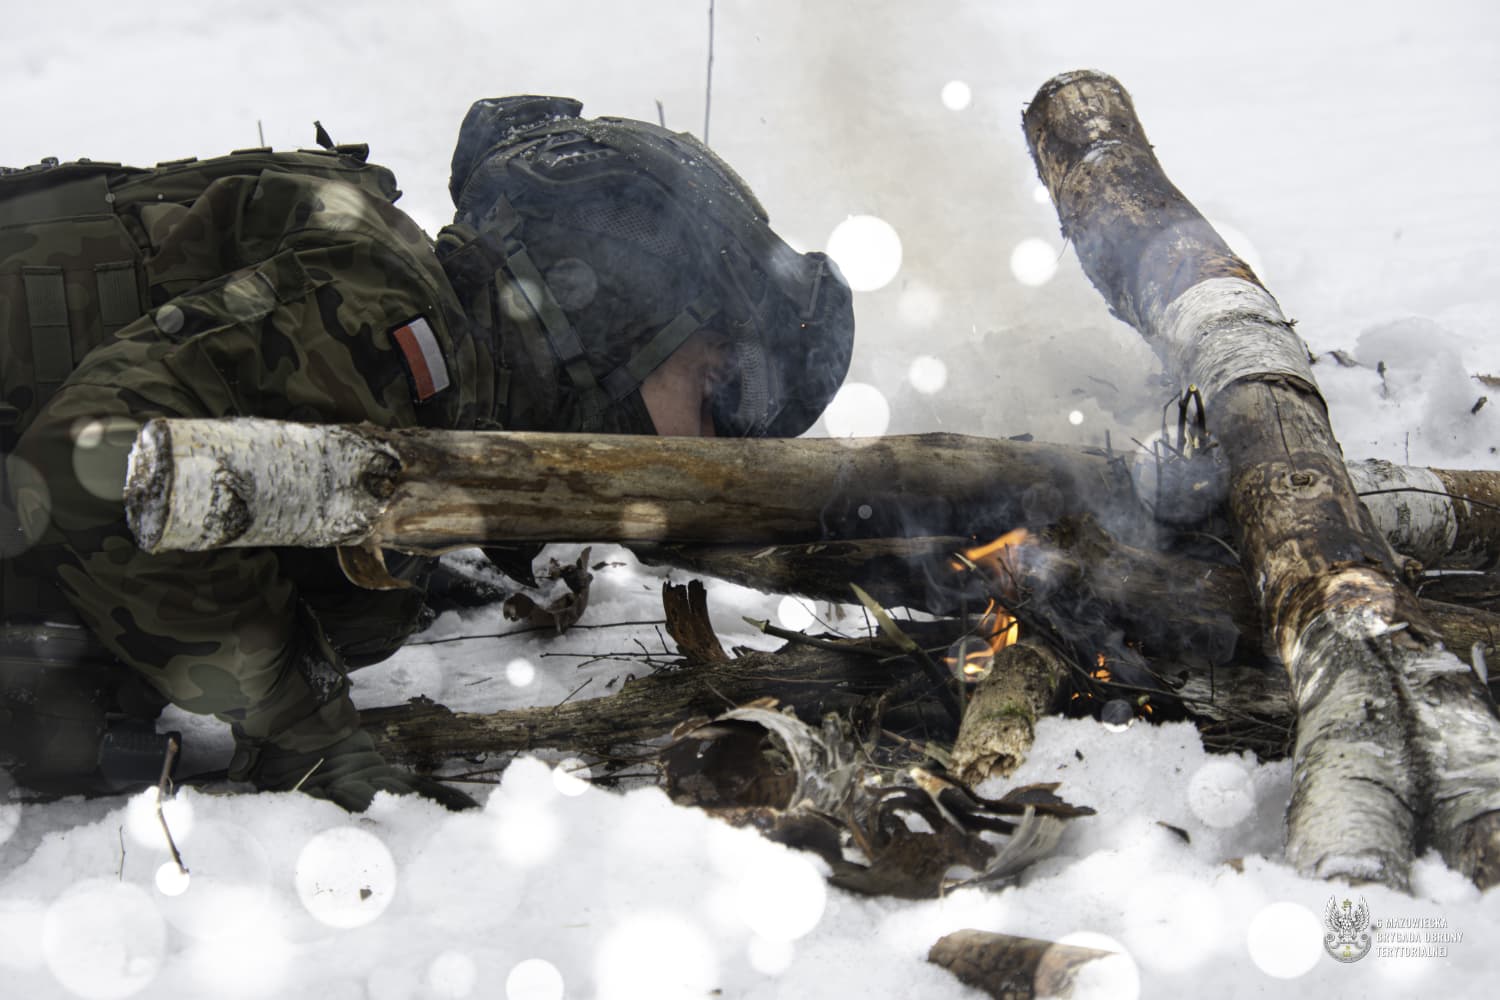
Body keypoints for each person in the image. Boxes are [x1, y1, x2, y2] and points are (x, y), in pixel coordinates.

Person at [1, 96, 854, 811]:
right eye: (715, 387)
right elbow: (93, 466)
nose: (717, 442)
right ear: (616, 327)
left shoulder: (448, 371)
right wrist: (300, 722)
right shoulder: (397, 318)